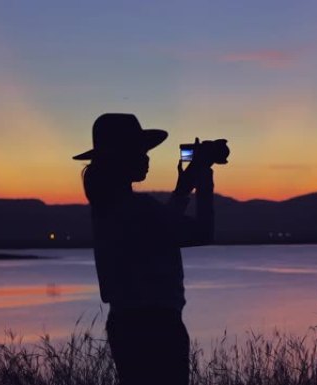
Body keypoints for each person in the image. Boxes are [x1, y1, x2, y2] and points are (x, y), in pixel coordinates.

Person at [73, 113, 215, 385]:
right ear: (121, 158)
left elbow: (159, 232)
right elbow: (202, 232)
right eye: (139, 151)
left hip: (126, 324)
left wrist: (184, 189)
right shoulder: (138, 209)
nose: (147, 157)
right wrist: (205, 176)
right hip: (158, 328)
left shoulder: (108, 209)